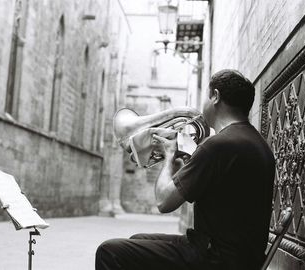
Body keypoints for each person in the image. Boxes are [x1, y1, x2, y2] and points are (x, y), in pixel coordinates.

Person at [95, 69, 275, 270]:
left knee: (109, 251)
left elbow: (164, 202)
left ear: (215, 96)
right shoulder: (256, 143)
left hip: (214, 257)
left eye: (207, 96)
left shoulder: (217, 145)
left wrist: (169, 156)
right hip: (239, 256)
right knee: (138, 239)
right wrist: (190, 162)